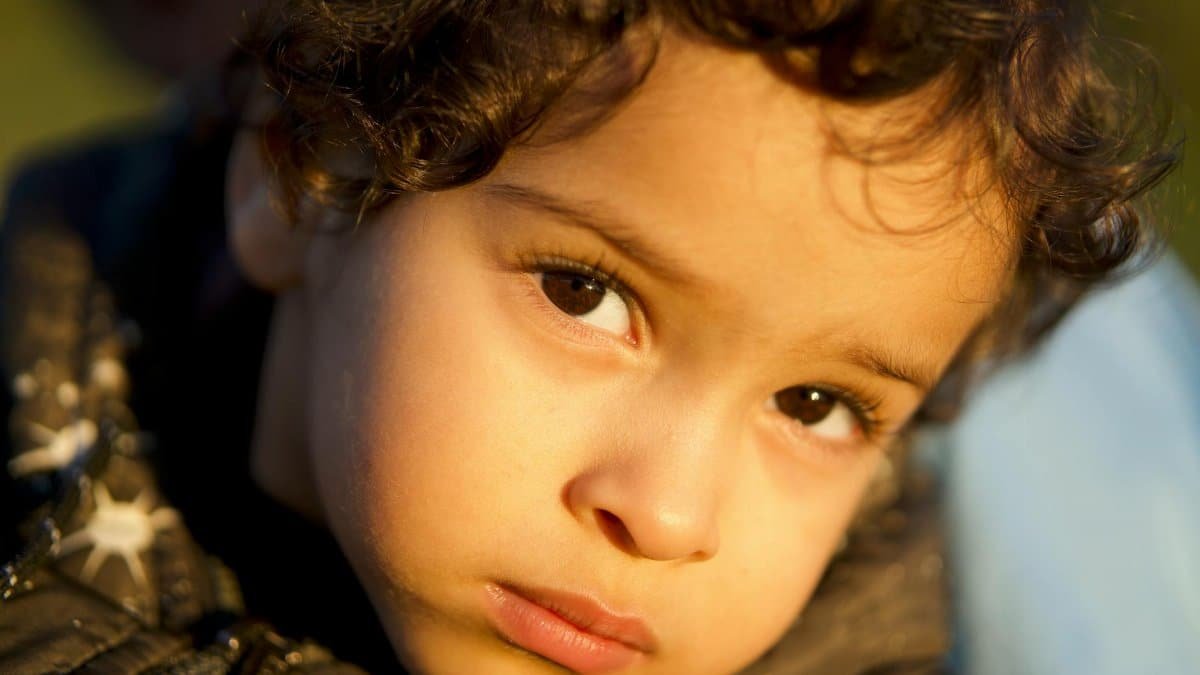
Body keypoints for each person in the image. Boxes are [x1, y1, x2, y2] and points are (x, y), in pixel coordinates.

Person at [0, 1, 1180, 673]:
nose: (668, 515)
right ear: (304, 182)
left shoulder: (856, 629)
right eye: (583, 293)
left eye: (817, 406)